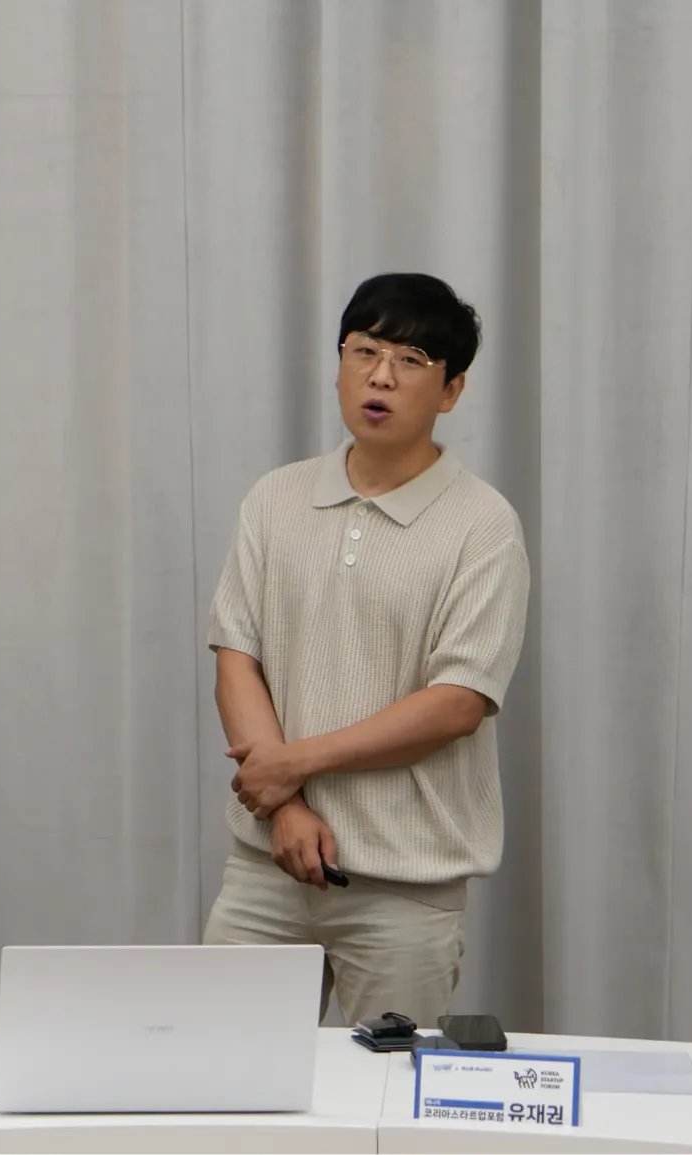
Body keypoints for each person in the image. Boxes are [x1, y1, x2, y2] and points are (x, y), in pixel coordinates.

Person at [202, 273, 530, 1027]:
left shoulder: (484, 525)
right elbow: (236, 657)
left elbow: (458, 703)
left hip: (404, 885)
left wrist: (294, 763)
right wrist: (285, 803)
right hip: (267, 866)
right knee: (221, 1074)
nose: (381, 375)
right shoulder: (275, 499)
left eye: (412, 360)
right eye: (365, 351)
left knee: (389, 1094)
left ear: (451, 390)